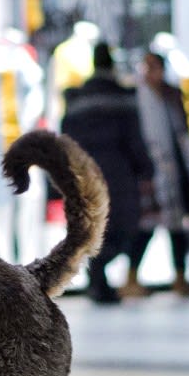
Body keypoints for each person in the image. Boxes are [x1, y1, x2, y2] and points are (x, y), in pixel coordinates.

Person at [61, 41, 154, 304]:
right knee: (124, 226)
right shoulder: (123, 97)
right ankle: (99, 275)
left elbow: (66, 139)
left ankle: (98, 280)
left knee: (95, 226)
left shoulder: (77, 99)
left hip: (85, 174)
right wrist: (146, 169)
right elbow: (135, 138)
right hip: (119, 174)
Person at [124, 50, 189, 298]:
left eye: (155, 67)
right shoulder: (137, 96)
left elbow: (182, 135)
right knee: (147, 226)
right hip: (150, 171)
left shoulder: (172, 95)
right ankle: (130, 276)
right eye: (146, 67)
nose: (150, 73)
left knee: (177, 226)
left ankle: (180, 277)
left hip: (175, 171)